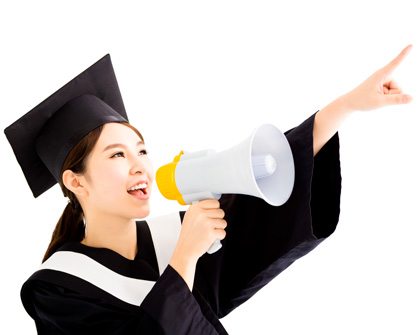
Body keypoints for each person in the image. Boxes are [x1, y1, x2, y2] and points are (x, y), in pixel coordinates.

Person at [4, 45, 412, 334]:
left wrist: (348, 106)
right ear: (75, 182)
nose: (140, 165)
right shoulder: (56, 289)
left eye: (141, 149)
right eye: (116, 155)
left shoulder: (174, 235)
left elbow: (262, 219)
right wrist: (184, 258)